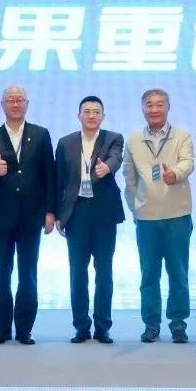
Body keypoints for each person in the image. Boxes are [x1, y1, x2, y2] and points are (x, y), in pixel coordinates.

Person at [0, 85, 56, 345]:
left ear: (27, 103)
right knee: (1, 272)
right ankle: (1, 330)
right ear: (2, 105)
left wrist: (50, 211)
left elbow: (49, 174)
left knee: (28, 272)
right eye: (10, 100)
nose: (15, 104)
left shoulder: (40, 134)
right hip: (1, 215)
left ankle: (24, 330)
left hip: (32, 216)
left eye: (19, 99)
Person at [123, 88, 196, 344]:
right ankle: (151, 324)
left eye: (159, 104)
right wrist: (136, 209)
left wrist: (175, 173)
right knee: (149, 276)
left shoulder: (182, 136)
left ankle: (178, 324)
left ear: (168, 107)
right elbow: (129, 180)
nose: (154, 109)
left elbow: (188, 162)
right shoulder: (133, 140)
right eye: (149, 105)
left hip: (177, 216)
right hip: (147, 219)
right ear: (143, 108)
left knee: (178, 274)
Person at [54, 96, 125, 344]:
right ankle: (81, 327)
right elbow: (58, 181)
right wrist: (59, 214)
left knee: (104, 271)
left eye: (96, 112)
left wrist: (108, 168)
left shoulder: (113, 138)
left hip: (104, 214)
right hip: (76, 214)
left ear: (103, 117)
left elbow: (116, 157)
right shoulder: (65, 143)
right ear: (79, 116)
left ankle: (103, 327)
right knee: (77, 273)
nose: (92, 115)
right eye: (87, 111)